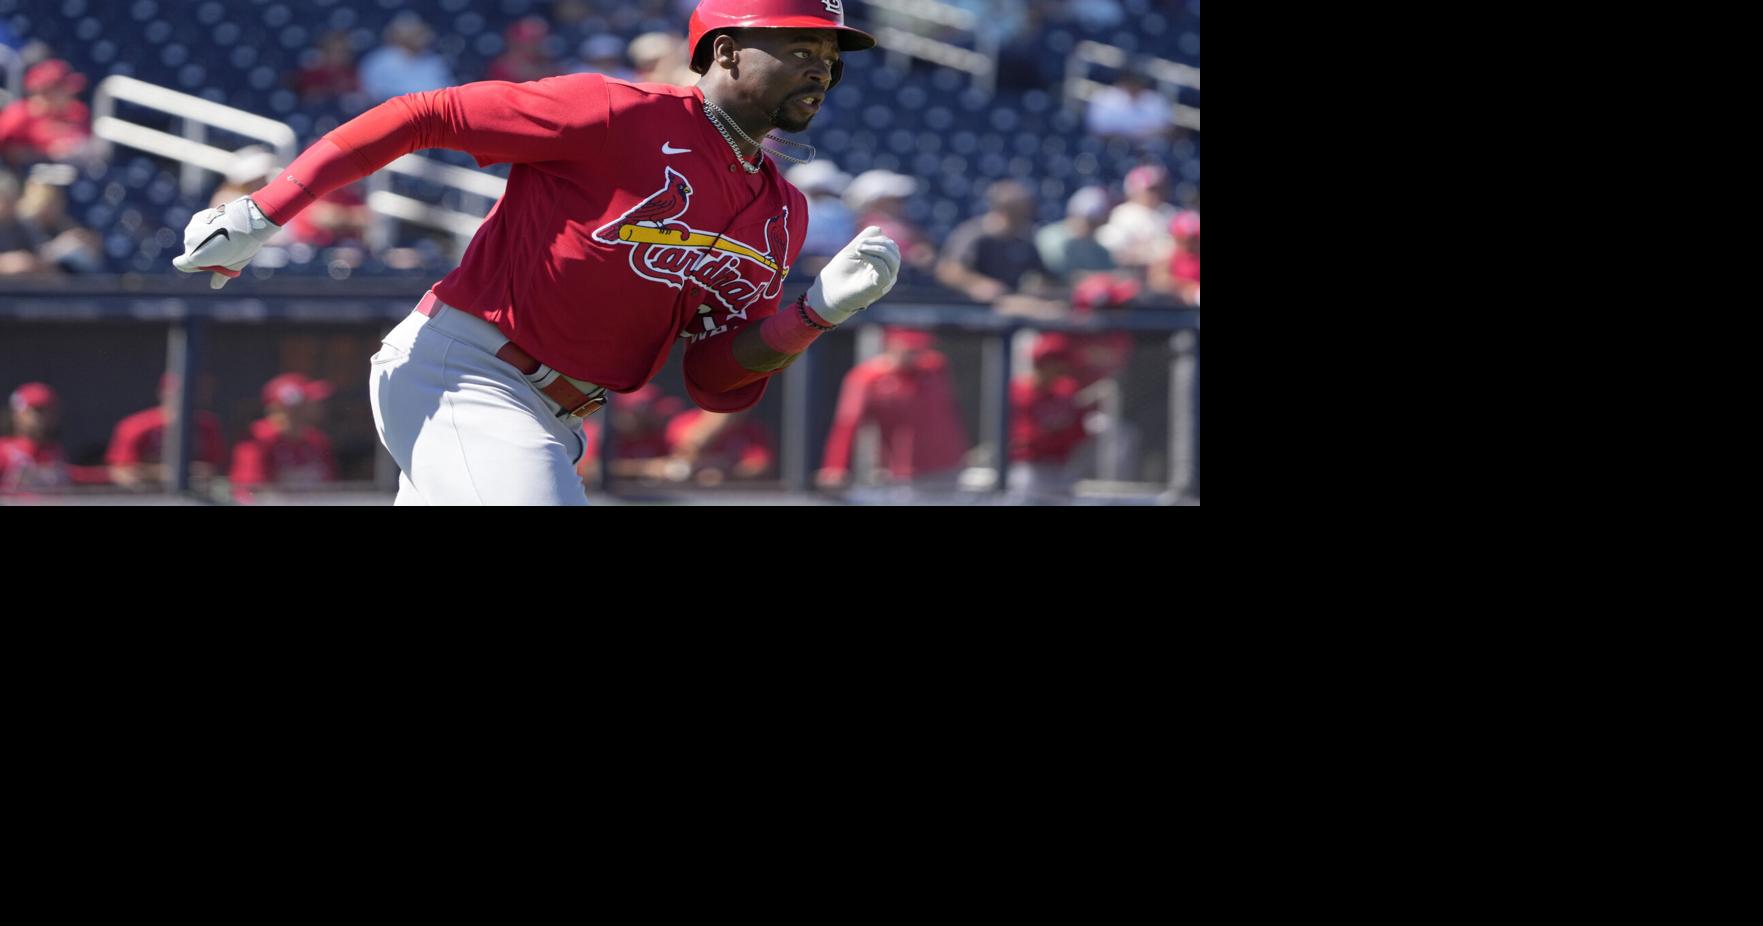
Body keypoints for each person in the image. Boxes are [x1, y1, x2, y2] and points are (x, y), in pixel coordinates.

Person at [173, 0, 899, 506]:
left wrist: (815, 312)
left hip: (555, 416)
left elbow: (713, 376)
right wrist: (268, 207)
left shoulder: (782, 209)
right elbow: (424, 113)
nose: (822, 69)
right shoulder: (617, 112)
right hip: (465, 374)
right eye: (802, 49)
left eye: (831, 56)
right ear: (726, 51)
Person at [817, 328, 969, 490]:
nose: (917, 356)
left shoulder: (935, 367)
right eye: (910, 350)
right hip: (901, 474)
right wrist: (835, 466)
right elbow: (847, 425)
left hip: (949, 469)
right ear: (891, 345)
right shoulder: (867, 378)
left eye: (921, 349)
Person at [937, 179, 1056, 307]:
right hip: (974, 307)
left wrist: (1040, 286)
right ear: (1003, 210)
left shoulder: (1025, 238)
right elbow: (947, 270)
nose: (1024, 215)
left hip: (1013, 300)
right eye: (1017, 211)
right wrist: (976, 284)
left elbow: (1043, 276)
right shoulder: (973, 233)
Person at [106, 375, 227, 489]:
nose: (188, 397)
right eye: (179, 392)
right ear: (163, 393)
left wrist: (152, 470)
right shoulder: (136, 425)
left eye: (194, 392)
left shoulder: (208, 425)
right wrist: (174, 472)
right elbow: (121, 473)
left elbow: (214, 470)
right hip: (146, 496)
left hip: (194, 495)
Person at [229, 373, 339, 493]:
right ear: (291, 407)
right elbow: (247, 492)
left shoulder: (318, 441)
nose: (318, 404)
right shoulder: (257, 439)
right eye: (309, 399)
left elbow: (331, 489)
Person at [0, 59, 92, 169]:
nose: (70, 92)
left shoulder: (76, 112)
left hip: (72, 175)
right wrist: (47, 155)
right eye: (63, 88)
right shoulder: (20, 114)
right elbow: (7, 150)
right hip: (24, 177)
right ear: (46, 90)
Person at [1097, 164, 1177, 276]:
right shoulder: (1123, 214)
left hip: (1165, 273)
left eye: (1157, 189)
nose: (1154, 194)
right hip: (1132, 273)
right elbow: (1115, 251)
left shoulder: (1169, 213)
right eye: (1150, 190)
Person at [357, 14, 457, 103]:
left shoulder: (435, 61)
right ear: (398, 35)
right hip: (393, 111)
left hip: (430, 112)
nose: (420, 37)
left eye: (420, 33)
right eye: (413, 33)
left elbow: (445, 91)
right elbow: (373, 93)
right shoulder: (379, 60)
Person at [786, 159, 855, 275]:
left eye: (826, 192)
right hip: (793, 271)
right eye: (817, 192)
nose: (824, 197)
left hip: (837, 268)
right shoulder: (792, 211)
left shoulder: (841, 211)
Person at [1035, 185, 1115, 283]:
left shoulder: (1099, 249)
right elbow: (1058, 274)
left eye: (1096, 223)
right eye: (1089, 221)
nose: (1091, 228)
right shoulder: (1049, 237)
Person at [1, 382, 69, 493]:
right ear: (18, 414)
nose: (43, 417)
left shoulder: (56, 451)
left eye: (48, 411)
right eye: (37, 411)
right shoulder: (4, 450)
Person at [1084, 71, 1174, 143]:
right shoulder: (1105, 98)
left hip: (1146, 148)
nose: (1134, 86)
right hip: (1109, 144)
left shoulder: (1155, 101)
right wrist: (1131, 136)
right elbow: (1097, 128)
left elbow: (1165, 129)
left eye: (1138, 82)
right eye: (1132, 82)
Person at [488, 18, 566, 85]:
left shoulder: (549, 63)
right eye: (530, 40)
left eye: (537, 40)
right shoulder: (502, 66)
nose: (533, 45)